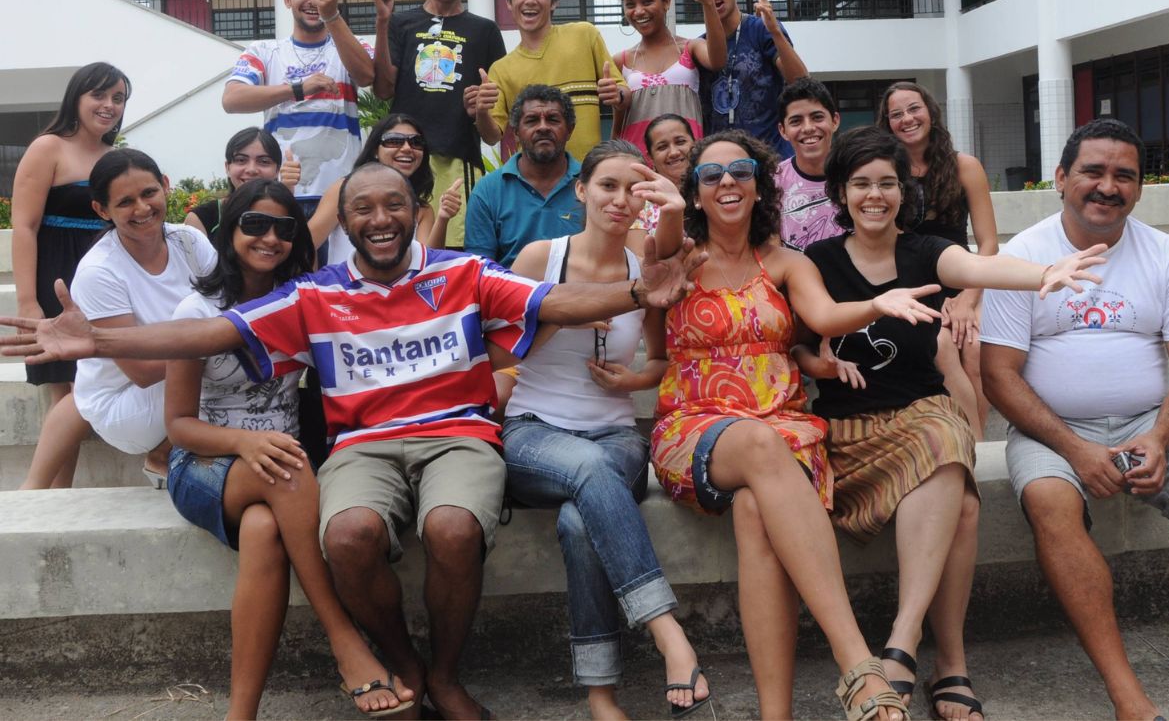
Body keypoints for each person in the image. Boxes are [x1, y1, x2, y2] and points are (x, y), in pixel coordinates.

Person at [4, 159, 703, 721]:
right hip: (363, 445)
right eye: (362, 208)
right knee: (347, 536)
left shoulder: (462, 271)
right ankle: (404, 664)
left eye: (393, 204)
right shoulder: (315, 294)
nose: (379, 218)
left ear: (414, 210)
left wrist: (637, 294)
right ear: (344, 223)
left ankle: (445, 676)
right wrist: (99, 340)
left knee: (453, 527)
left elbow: (554, 301)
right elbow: (211, 331)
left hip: (457, 434)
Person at [794, 126, 1105, 721]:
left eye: (887, 183)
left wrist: (1044, 272)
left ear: (902, 191)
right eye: (861, 184)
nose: (875, 195)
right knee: (962, 503)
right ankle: (952, 663)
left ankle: (903, 640)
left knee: (943, 437)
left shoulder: (925, 251)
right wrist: (824, 365)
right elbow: (806, 343)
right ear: (841, 192)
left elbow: (979, 265)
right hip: (849, 430)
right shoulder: (819, 260)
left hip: (923, 411)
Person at [651, 128, 950, 721]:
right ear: (695, 192)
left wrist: (877, 304)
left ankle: (775, 715)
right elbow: (659, 245)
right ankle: (857, 662)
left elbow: (825, 315)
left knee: (755, 510)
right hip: (695, 427)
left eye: (740, 171)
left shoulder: (786, 262)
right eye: (710, 175)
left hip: (783, 429)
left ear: (761, 184)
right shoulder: (675, 256)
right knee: (761, 446)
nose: (727, 182)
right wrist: (668, 209)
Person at [981, 119, 1169, 721]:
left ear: (1140, 189)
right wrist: (1074, 449)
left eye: (1124, 175)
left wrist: (1159, 436)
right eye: (1093, 171)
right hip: (1051, 430)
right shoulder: (1023, 258)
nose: (1108, 186)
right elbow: (999, 376)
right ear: (1060, 178)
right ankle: (1126, 691)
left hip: (1149, 420)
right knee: (1050, 500)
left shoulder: (1163, 254)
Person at [165, 178, 415, 720]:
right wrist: (244, 440)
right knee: (290, 466)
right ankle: (344, 639)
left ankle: (240, 715)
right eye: (255, 224)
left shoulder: (304, 299)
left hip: (279, 465)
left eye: (284, 228)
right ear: (230, 231)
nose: (270, 238)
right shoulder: (198, 308)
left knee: (263, 529)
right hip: (207, 462)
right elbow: (178, 425)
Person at [501, 140, 708, 719]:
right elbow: (497, 352)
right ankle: (669, 634)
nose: (620, 200)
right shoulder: (540, 259)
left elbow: (659, 362)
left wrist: (632, 381)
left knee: (578, 519)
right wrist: (563, 314)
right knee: (587, 472)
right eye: (607, 186)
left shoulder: (647, 268)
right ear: (581, 190)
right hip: (533, 431)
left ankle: (599, 693)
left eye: (633, 191)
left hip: (614, 437)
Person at [20, 148, 217, 490]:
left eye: (149, 193)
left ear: (165, 186)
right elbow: (141, 372)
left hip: (169, 382)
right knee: (227, 362)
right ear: (102, 210)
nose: (142, 208)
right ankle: (162, 454)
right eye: (125, 202)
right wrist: (217, 344)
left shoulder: (189, 241)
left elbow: (229, 305)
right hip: (124, 405)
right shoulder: (99, 271)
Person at [11, 63, 125, 487]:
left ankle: (50, 495)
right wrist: (28, 301)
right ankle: (48, 496)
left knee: (88, 390)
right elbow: (24, 226)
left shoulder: (116, 158)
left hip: (104, 280)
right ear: (76, 98)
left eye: (118, 98)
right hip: (57, 278)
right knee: (66, 391)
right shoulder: (48, 147)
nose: (109, 105)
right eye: (99, 95)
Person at [877, 82, 998, 439]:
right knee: (943, 346)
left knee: (975, 348)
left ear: (930, 112)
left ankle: (978, 443)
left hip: (963, 279)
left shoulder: (965, 166)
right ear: (887, 123)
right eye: (896, 114)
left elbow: (989, 243)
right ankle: (967, 442)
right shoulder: (886, 172)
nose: (907, 119)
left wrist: (967, 300)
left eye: (914, 109)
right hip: (912, 284)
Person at [371, 0, 507, 247]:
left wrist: (480, 110)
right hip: (404, 155)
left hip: (458, 160)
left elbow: (493, 130)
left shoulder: (485, 31)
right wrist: (381, 21)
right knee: (399, 247)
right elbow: (383, 89)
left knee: (454, 251)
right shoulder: (399, 23)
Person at [222, 0, 375, 216]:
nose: (312, 1)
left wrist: (332, 16)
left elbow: (367, 76)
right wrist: (298, 89)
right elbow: (231, 100)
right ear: (287, 0)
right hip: (280, 192)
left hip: (341, 193)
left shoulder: (353, 46)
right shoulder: (264, 51)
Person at [488, 0, 627, 161]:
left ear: (554, 2)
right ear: (509, 2)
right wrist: (481, 112)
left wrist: (617, 95)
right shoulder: (500, 70)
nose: (530, 0)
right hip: (533, 177)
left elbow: (624, 93)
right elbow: (492, 136)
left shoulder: (584, 35)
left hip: (587, 173)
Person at [689, 0, 808, 158]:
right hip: (722, 164)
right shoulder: (699, 47)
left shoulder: (761, 28)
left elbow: (801, 82)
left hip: (772, 159)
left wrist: (775, 31)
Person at [306, 113, 460, 263]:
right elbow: (307, 244)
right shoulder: (344, 190)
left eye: (416, 142)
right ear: (375, 150)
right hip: (344, 281)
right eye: (394, 141)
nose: (407, 148)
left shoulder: (422, 209)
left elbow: (429, 266)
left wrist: (443, 219)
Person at [466, 84, 584, 267]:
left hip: (580, 285)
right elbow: (479, 269)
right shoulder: (488, 190)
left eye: (553, 119)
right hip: (509, 285)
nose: (543, 127)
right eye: (532, 120)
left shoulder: (591, 183)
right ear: (516, 133)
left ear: (570, 130)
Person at [609, 0, 724, 152]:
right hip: (636, 161)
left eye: (647, 2)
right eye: (630, 5)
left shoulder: (690, 49)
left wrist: (708, 4)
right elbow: (618, 125)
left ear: (667, 2)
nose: (639, 11)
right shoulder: (621, 61)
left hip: (683, 158)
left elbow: (717, 60)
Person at [774, 77, 845, 251]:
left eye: (817, 117)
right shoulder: (772, 181)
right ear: (783, 130)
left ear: (835, 121)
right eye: (796, 121)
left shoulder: (858, 173)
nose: (808, 128)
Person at [185, 127, 293, 240]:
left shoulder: (288, 218)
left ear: (277, 170)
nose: (251, 170)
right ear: (227, 167)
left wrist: (288, 196)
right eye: (241, 160)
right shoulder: (201, 219)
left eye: (264, 161)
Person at [634, 113, 697, 236]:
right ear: (650, 157)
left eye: (680, 142)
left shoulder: (713, 191)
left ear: (694, 144)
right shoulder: (641, 205)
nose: (673, 153)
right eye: (662, 147)